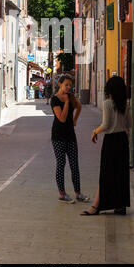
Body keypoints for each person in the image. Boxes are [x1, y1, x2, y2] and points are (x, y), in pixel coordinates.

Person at [81, 76, 132, 216]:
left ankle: (96, 206)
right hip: (122, 140)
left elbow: (106, 125)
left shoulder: (108, 103)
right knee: (121, 174)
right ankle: (120, 206)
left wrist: (94, 131)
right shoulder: (125, 104)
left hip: (111, 141)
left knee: (106, 173)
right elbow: (129, 125)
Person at [50, 73, 90, 204]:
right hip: (58, 136)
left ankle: (78, 193)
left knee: (74, 165)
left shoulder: (71, 97)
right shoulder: (55, 100)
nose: (68, 87)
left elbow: (79, 107)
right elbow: (61, 118)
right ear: (60, 84)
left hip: (70, 135)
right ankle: (62, 194)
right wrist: (66, 102)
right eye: (66, 84)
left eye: (70, 85)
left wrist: (75, 120)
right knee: (61, 164)